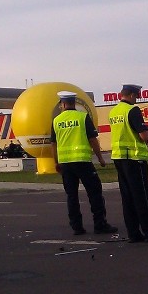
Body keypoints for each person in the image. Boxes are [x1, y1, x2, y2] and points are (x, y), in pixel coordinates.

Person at [50, 91, 117, 236]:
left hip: (66, 164)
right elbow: (93, 139)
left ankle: (77, 227)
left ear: (63, 104)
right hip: (82, 162)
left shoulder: (56, 121)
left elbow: (53, 144)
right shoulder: (82, 117)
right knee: (95, 193)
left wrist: (56, 162)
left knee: (72, 196)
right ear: (74, 103)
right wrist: (100, 158)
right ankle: (100, 224)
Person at [109, 84, 148, 243]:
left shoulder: (114, 112)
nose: (138, 99)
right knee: (142, 198)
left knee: (127, 198)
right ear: (132, 95)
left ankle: (133, 233)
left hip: (119, 159)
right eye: (138, 96)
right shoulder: (133, 110)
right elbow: (143, 136)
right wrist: (146, 131)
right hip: (134, 159)